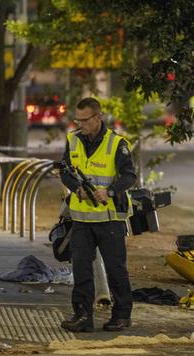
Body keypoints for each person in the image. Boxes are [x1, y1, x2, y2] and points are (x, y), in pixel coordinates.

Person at [59, 97, 137, 332]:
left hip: (110, 218)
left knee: (116, 269)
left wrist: (109, 191)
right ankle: (83, 316)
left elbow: (129, 176)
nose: (80, 125)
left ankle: (122, 316)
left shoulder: (117, 143)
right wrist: (76, 187)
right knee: (81, 269)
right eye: (77, 120)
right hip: (81, 218)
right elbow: (64, 170)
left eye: (85, 120)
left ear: (98, 117)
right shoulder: (73, 140)